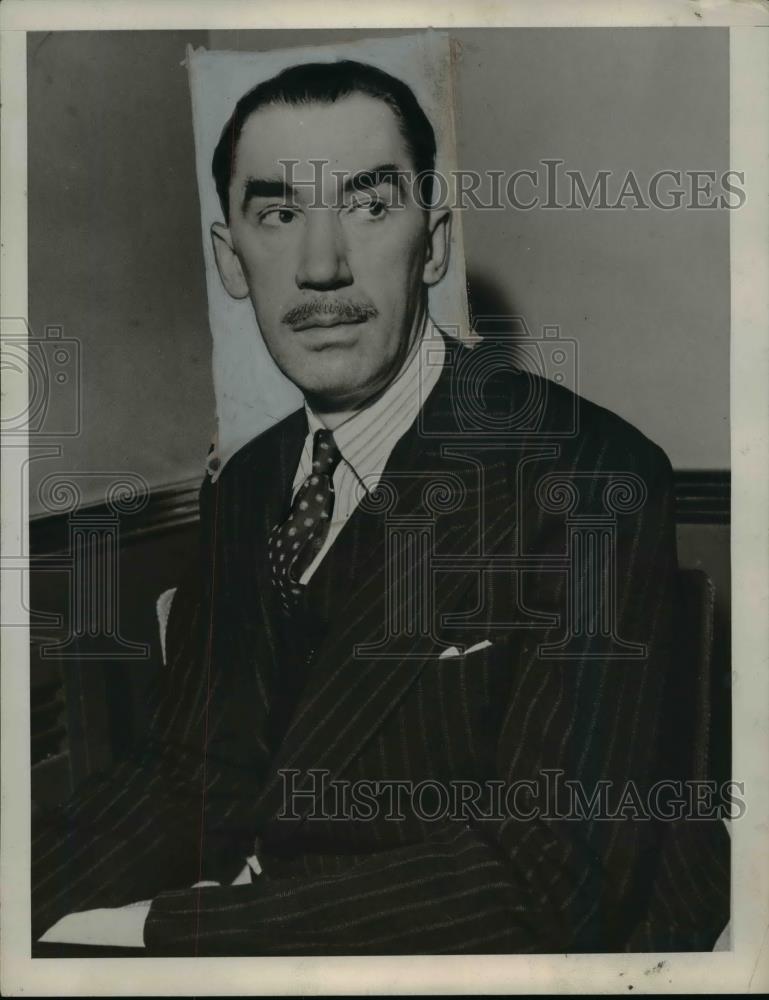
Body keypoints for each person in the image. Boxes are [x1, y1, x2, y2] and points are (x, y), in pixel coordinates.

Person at [32, 59, 729, 956]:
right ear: (230, 256)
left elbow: (556, 878)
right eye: (278, 215)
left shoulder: (590, 477)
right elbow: (191, 772)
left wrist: (169, 930)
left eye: (367, 206)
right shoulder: (249, 485)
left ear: (432, 242)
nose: (320, 268)